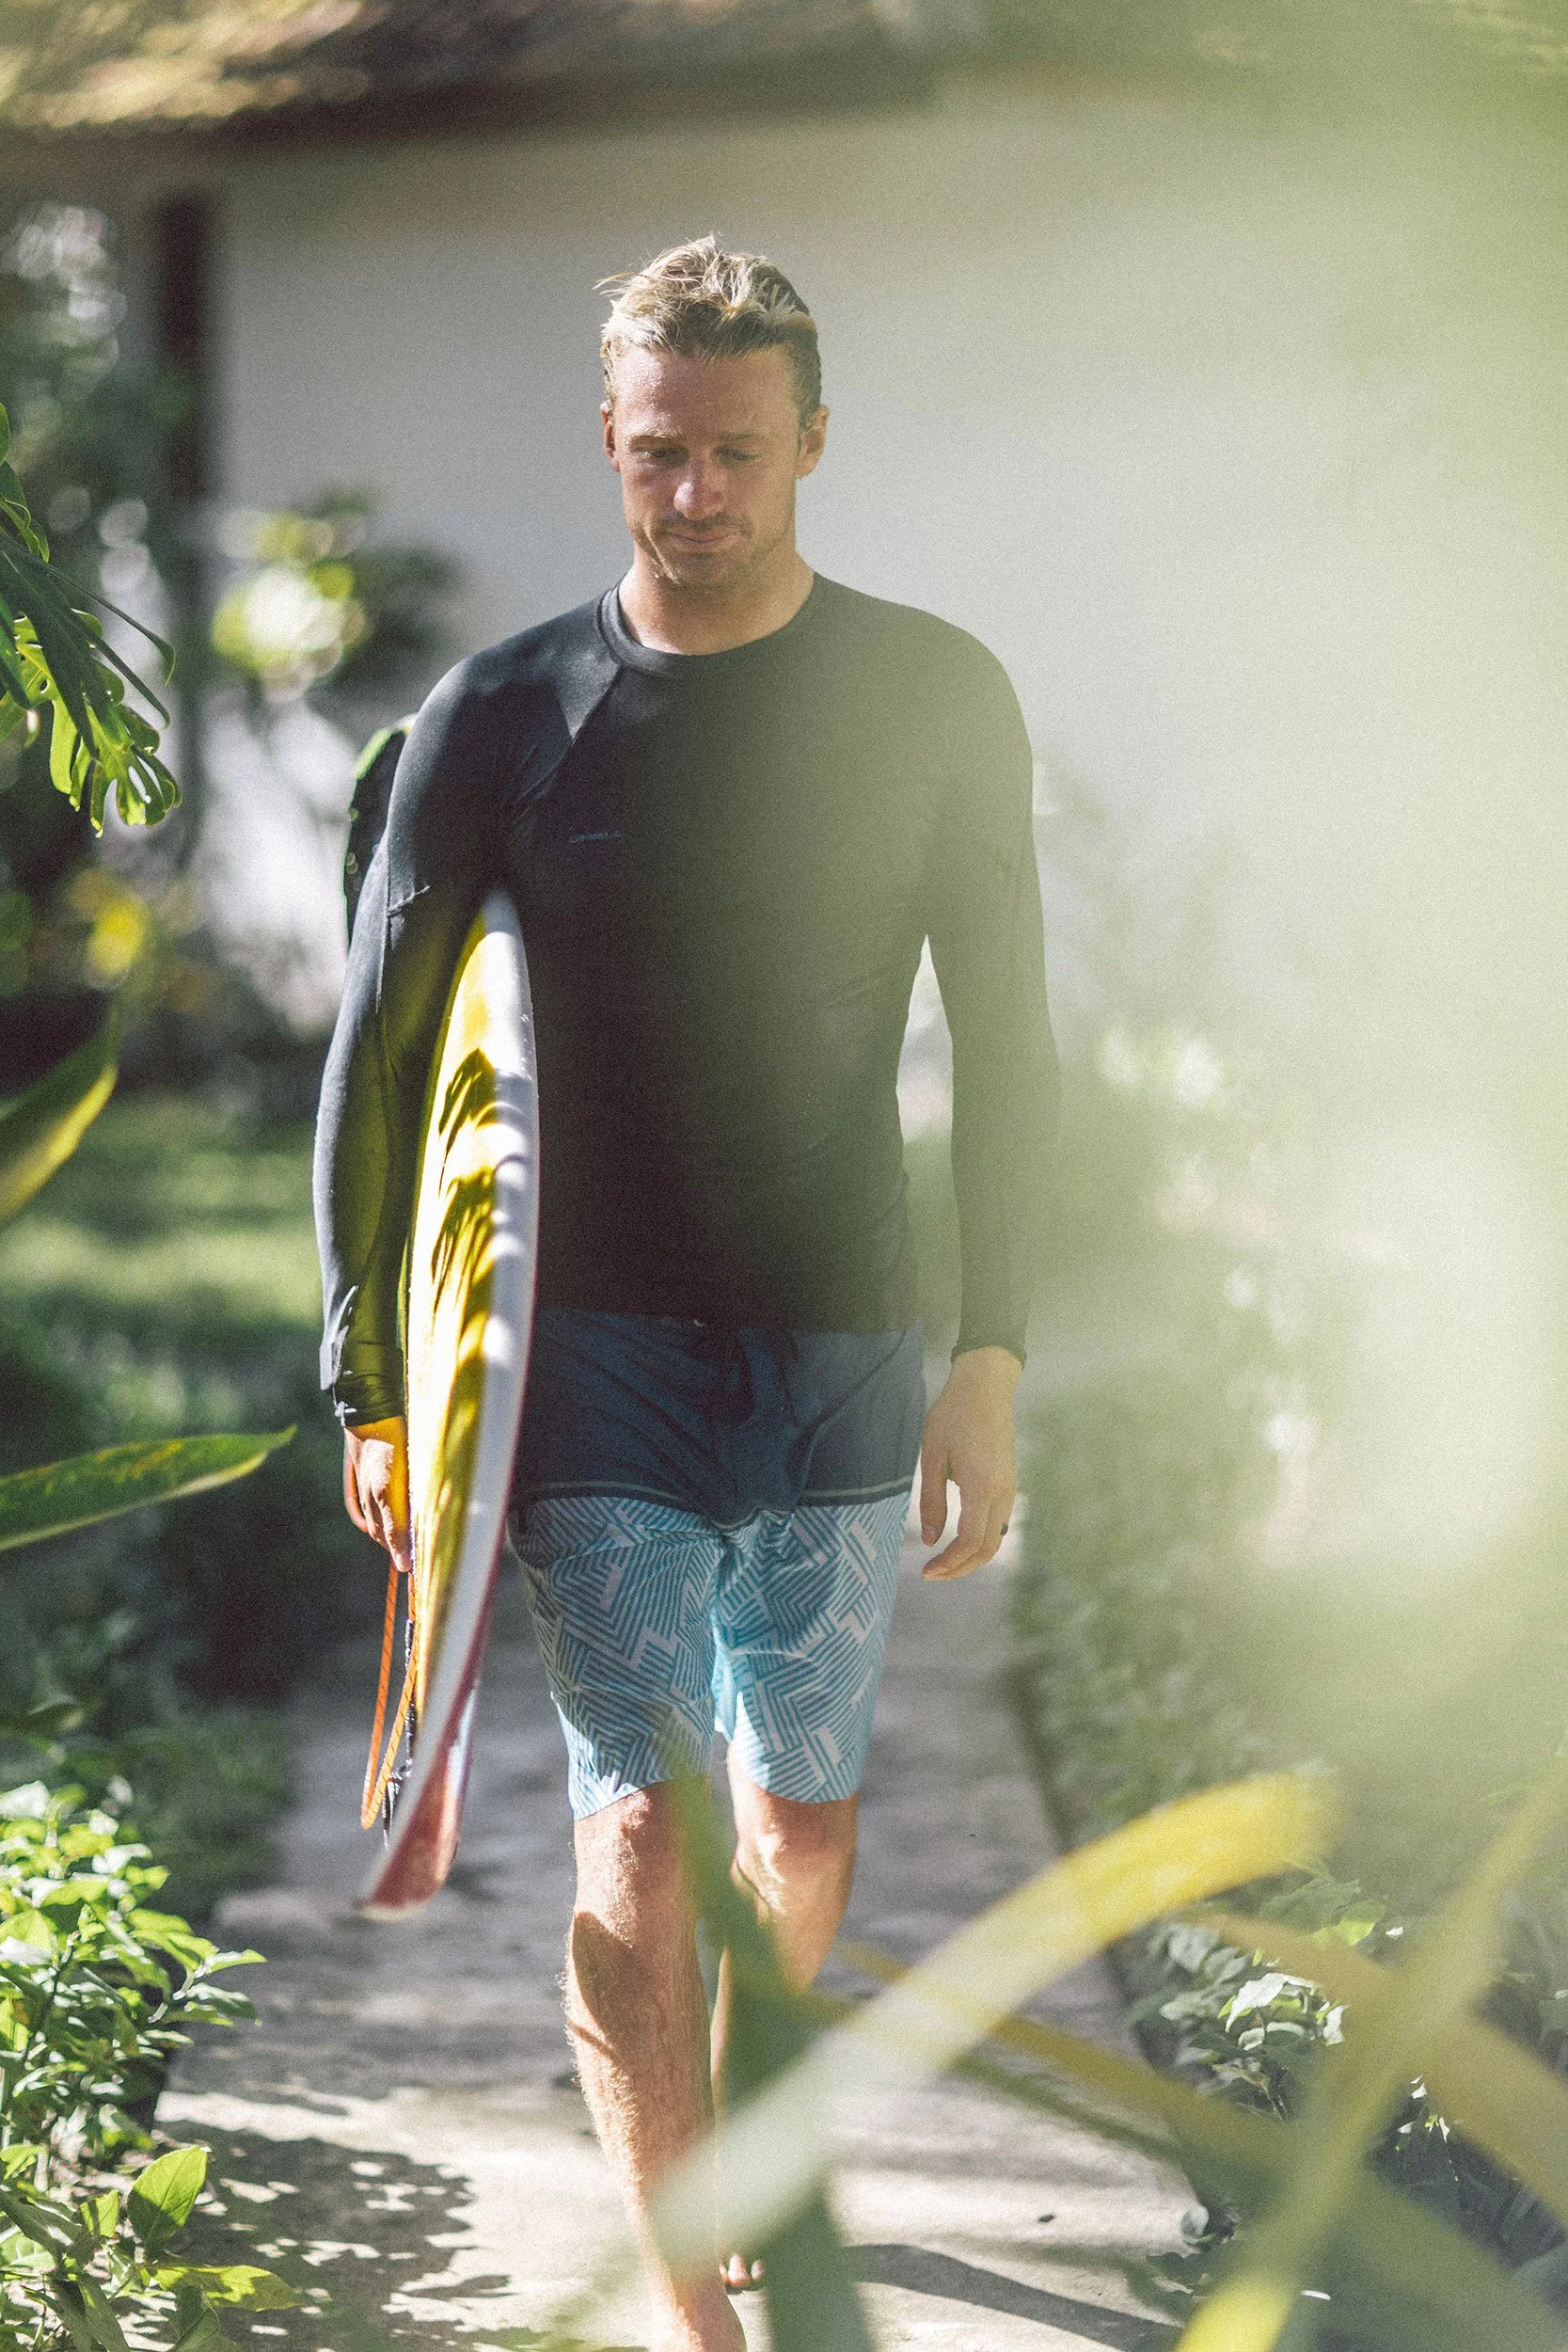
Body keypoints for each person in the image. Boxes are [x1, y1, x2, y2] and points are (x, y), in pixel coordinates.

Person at [315, 236, 1057, 2352]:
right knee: (636, 1815)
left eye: (736, 452)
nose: (696, 495)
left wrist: (987, 1347)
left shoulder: (931, 694)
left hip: (839, 1335)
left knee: (795, 1812)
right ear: (609, 444)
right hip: (588, 1355)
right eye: (657, 454)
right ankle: (688, 2288)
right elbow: (385, 1057)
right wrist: (376, 1374)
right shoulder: (499, 714)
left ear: (812, 439)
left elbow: (1007, 1037)